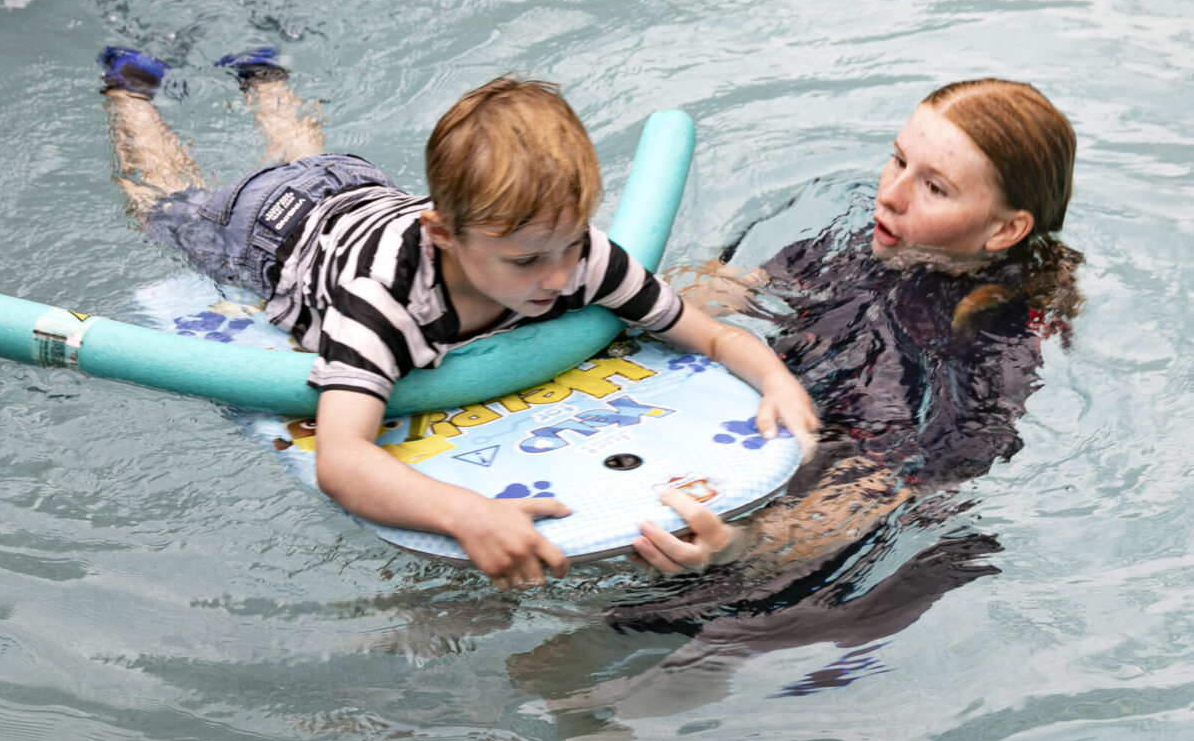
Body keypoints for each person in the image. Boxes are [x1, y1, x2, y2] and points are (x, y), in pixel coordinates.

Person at [96, 45, 818, 591]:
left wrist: (777, 379)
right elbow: (343, 460)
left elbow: (711, 334)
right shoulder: (385, 300)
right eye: (526, 260)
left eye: (572, 245)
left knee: (303, 155)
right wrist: (466, 513)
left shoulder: (577, 253)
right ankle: (130, 93)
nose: (560, 277)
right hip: (270, 230)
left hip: (355, 188)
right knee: (163, 205)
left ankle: (263, 75)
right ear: (443, 236)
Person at [619, 77, 1082, 610]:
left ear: (1005, 230)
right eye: (898, 160)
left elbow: (886, 486)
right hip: (780, 445)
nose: (890, 194)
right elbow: (726, 290)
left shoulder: (989, 347)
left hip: (856, 564)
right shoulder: (859, 244)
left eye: (934, 188)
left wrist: (740, 547)